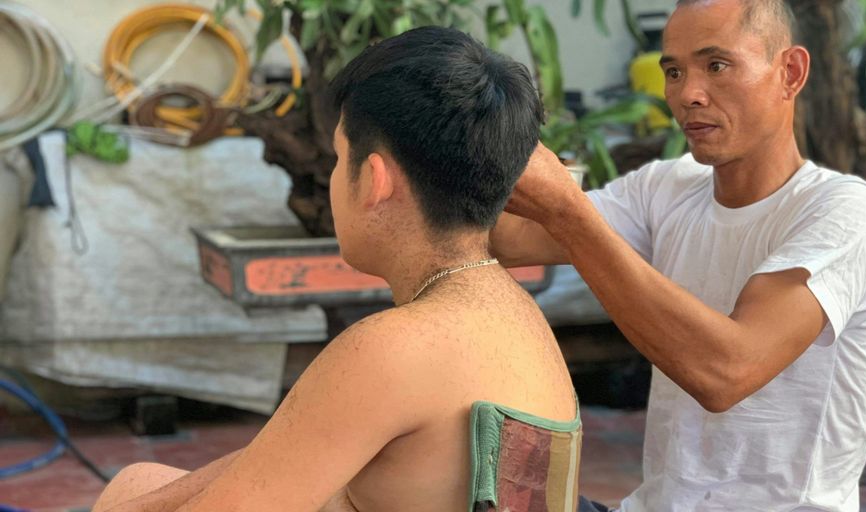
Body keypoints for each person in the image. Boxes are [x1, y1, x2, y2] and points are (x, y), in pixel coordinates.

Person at [93, 27, 579, 512]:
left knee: (130, 490)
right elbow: (300, 450)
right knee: (144, 484)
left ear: (374, 179)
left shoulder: (394, 348)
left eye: (338, 157)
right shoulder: (513, 310)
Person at [491, 0, 866, 510]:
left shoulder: (845, 212)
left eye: (717, 66)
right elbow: (511, 239)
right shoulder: (667, 187)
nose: (689, 94)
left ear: (789, 72)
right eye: (674, 71)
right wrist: (489, 123)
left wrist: (568, 215)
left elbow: (726, 373)